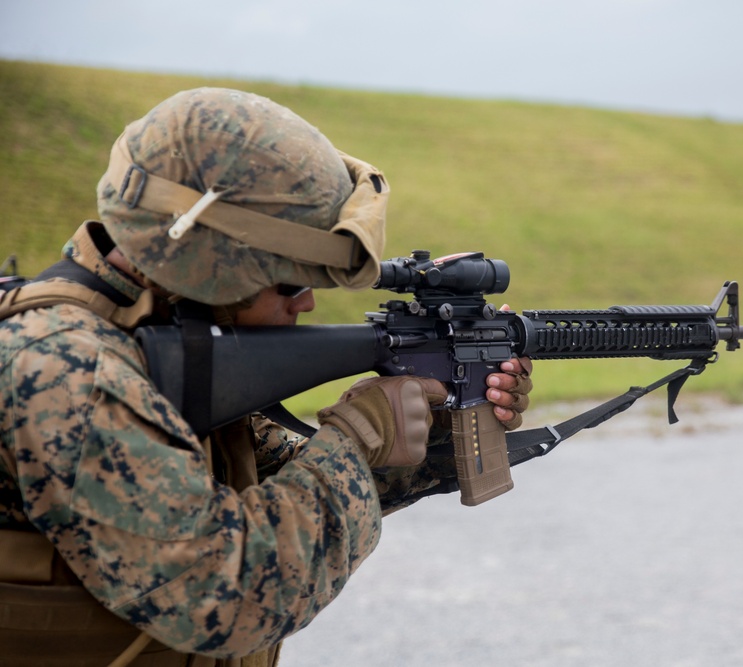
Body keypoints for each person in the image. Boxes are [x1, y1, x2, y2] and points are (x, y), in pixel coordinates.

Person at [0, 88, 533, 666]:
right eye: (289, 284)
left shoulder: (155, 341)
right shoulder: (74, 373)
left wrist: (435, 424)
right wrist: (356, 439)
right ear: (211, 269)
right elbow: (225, 597)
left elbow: (279, 477)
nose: (304, 306)